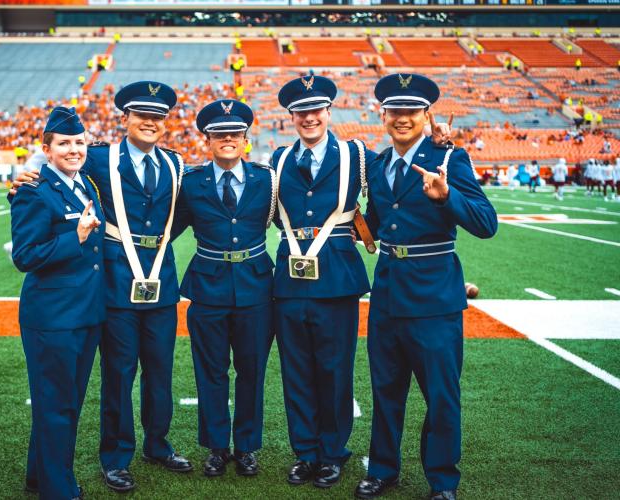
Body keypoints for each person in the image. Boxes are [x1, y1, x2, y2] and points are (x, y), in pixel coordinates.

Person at [12, 81, 193, 493]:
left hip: (160, 279)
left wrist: (154, 242)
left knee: (160, 371)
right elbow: (57, 172)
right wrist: (26, 178)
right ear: (124, 119)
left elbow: (184, 209)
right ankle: (115, 456)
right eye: (141, 115)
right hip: (113, 283)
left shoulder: (176, 164)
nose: (149, 122)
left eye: (157, 116)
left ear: (164, 122)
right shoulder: (96, 158)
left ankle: (158, 444)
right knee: (118, 374)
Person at [354, 73, 498, 500]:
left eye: (411, 111)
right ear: (383, 115)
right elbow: (377, 224)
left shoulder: (449, 158)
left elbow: (486, 223)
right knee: (385, 390)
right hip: (387, 297)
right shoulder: (378, 165)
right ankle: (382, 469)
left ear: (426, 115)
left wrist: (446, 197)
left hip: (435, 300)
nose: (402, 118)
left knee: (441, 396)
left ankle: (442, 481)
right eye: (394, 110)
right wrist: (354, 225)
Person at [270, 75, 376, 489]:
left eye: (316, 109)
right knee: (296, 371)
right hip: (290, 281)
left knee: (334, 370)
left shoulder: (357, 155)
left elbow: (388, 194)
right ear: (291, 116)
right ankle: (306, 453)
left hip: (336, 276)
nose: (309, 117)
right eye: (301, 111)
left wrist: (371, 230)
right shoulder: (278, 159)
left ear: (329, 112)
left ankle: (333, 453)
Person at [172, 99, 275, 478]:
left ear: (246, 139)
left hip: (257, 289)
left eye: (235, 133)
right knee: (210, 372)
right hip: (208, 287)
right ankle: (217, 447)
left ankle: (246, 447)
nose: (227, 139)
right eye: (219, 134)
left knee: (251, 372)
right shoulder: (190, 182)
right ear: (208, 140)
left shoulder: (268, 179)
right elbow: (163, 223)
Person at [10, 106, 105, 499]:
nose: (73, 150)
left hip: (84, 313)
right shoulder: (33, 188)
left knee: (65, 402)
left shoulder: (86, 184)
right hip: (52, 318)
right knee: (57, 406)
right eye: (64, 143)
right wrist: (76, 238)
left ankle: (38, 474)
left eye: (79, 143)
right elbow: (25, 255)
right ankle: (57, 488)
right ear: (45, 149)